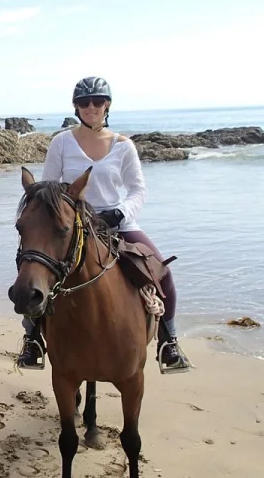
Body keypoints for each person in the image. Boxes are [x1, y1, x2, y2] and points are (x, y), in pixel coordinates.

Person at [16, 76, 190, 373]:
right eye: (84, 102)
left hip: (117, 223)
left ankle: (168, 342)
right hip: (73, 225)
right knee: (33, 271)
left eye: (97, 101)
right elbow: (48, 189)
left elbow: (138, 190)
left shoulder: (124, 146)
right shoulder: (61, 142)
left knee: (163, 274)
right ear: (76, 107)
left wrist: (120, 212)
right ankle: (32, 339)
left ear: (107, 105)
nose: (91, 107)